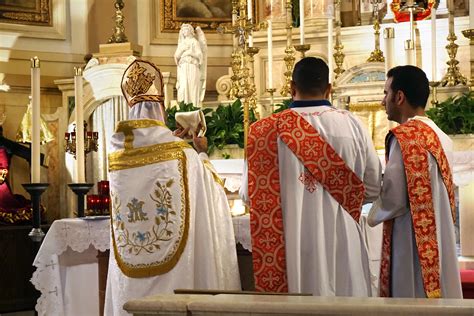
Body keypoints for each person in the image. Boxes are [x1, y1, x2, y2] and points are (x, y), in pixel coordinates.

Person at [105, 59, 241, 316]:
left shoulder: (117, 155)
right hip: (175, 270)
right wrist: (200, 152)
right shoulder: (182, 154)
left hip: (132, 259)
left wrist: (172, 141)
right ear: (161, 107)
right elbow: (212, 193)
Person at [240, 57, 382, 296]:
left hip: (289, 246)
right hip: (342, 239)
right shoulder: (353, 125)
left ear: (291, 88)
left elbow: (249, 195)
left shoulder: (263, 131)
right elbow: (372, 187)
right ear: (329, 89)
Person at [368, 65, 462, 298]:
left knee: (411, 296)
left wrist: (370, 210)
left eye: (385, 93)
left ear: (399, 97)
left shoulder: (405, 137)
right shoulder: (441, 136)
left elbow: (394, 199)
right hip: (439, 237)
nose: (383, 101)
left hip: (411, 242)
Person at [174, 24, 206, 107]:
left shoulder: (194, 42)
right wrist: (182, 50)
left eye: (186, 29)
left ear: (191, 31)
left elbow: (200, 56)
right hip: (183, 67)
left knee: (192, 86)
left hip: (192, 66)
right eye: (183, 30)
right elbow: (176, 56)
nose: (184, 31)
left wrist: (191, 53)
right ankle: (184, 106)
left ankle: (194, 106)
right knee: (183, 86)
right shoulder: (182, 43)